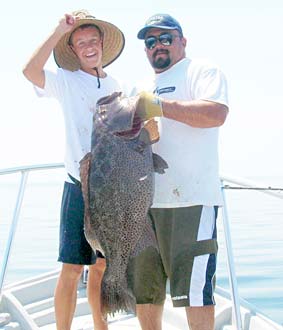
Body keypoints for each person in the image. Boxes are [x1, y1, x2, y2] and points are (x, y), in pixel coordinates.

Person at [23, 10, 125, 330]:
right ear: (74, 50)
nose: (88, 46)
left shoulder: (118, 85)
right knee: (70, 268)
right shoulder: (65, 81)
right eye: (80, 43)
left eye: (92, 40)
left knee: (101, 267)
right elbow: (29, 71)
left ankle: (100, 326)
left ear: (102, 43)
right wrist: (58, 31)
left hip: (108, 190)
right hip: (77, 187)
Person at [131, 13, 229, 330]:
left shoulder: (201, 71)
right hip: (144, 205)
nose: (157, 45)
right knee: (146, 291)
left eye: (165, 38)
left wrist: (159, 105)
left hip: (191, 200)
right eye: (150, 41)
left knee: (195, 293)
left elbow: (215, 113)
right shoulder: (139, 85)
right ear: (145, 50)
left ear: (182, 42)